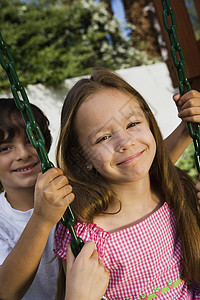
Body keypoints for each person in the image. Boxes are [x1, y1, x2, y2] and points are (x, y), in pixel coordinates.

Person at [54, 69, 200, 299]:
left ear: (149, 123)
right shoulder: (86, 236)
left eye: (132, 124)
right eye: (103, 137)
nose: (126, 142)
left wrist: (188, 127)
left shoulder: (174, 190)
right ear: (82, 158)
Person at [0, 98, 109, 300]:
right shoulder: (2, 221)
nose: (23, 154)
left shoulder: (73, 187)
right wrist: (42, 218)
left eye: (30, 140)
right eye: (5, 148)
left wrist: (184, 131)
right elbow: (5, 292)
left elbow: (137, 183)